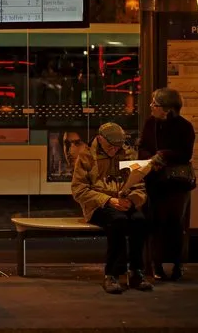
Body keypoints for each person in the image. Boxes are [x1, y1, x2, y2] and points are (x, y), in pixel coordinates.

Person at [72, 122, 153, 294]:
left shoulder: (128, 154)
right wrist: (108, 200)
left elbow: (139, 186)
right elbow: (79, 190)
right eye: (110, 146)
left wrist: (132, 200)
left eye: (117, 147)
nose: (114, 151)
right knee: (118, 221)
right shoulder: (87, 156)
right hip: (98, 204)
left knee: (139, 221)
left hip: (124, 201)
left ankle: (137, 271)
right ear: (100, 139)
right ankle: (112, 273)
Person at [139, 87, 196, 282]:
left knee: (175, 224)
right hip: (156, 182)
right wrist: (150, 159)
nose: (151, 107)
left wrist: (163, 155)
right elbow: (143, 147)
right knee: (156, 224)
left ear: (167, 109)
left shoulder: (185, 127)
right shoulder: (150, 124)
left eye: (155, 104)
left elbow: (185, 153)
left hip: (177, 184)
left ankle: (177, 264)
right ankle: (157, 265)